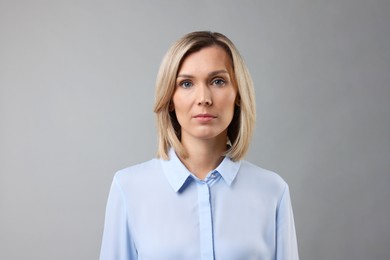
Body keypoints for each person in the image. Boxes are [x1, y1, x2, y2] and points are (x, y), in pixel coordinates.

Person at [100, 31, 299, 260]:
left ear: (238, 95)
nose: (204, 98)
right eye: (186, 83)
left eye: (218, 81)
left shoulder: (272, 191)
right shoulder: (128, 188)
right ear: (170, 98)